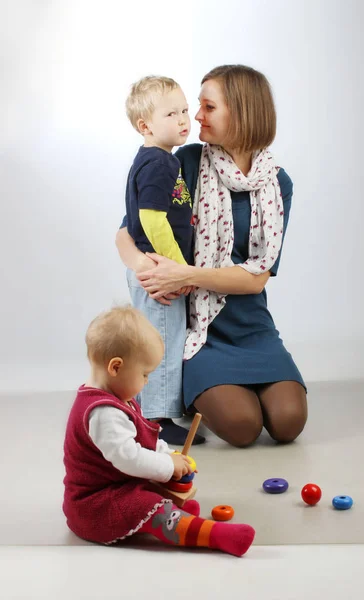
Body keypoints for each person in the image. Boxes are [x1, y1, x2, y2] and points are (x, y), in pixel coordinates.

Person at [116, 64, 308, 448]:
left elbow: (257, 277)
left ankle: (224, 387)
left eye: (207, 107)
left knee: (288, 423)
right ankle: (182, 392)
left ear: (241, 113)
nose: (195, 116)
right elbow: (128, 230)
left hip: (252, 326)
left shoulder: (278, 183)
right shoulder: (183, 162)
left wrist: (184, 273)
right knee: (242, 427)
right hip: (198, 330)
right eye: (194, 107)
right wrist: (147, 269)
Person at [63, 305, 255, 556]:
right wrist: (167, 467)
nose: (146, 382)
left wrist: (169, 455)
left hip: (118, 484)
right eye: (144, 374)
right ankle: (214, 536)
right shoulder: (103, 413)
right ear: (116, 367)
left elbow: (143, 438)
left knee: (152, 491)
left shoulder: (118, 398)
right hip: (95, 505)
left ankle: (176, 514)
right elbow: (129, 458)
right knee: (149, 506)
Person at [123, 75, 204, 445]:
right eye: (171, 113)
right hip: (159, 270)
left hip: (153, 266)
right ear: (145, 125)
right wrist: (176, 267)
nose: (183, 119)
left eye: (185, 110)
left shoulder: (156, 159)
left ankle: (147, 410)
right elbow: (152, 219)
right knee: (162, 340)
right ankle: (157, 418)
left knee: (157, 337)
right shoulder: (159, 164)